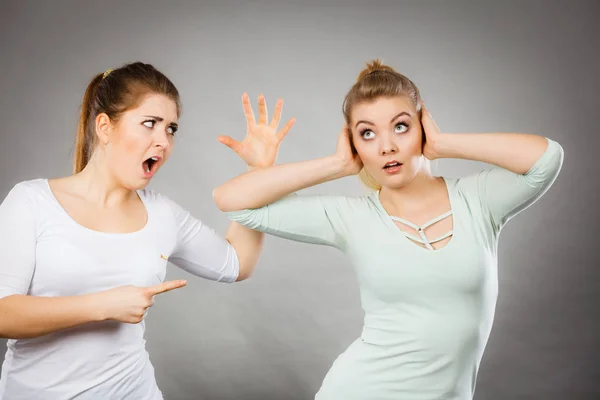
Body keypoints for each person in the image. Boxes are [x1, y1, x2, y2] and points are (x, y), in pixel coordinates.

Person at [213, 59, 564, 400]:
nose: (386, 147)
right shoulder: (351, 218)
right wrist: (336, 165)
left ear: (422, 124)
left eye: (400, 126)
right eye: (367, 133)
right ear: (354, 144)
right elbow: (231, 200)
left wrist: (443, 144)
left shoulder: (478, 200)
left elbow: (546, 158)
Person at [0, 62, 293, 399]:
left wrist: (259, 174)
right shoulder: (32, 201)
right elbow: (3, 312)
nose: (163, 141)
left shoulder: (162, 213)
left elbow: (236, 262)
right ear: (105, 127)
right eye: (150, 124)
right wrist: (103, 306)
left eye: (170, 129)